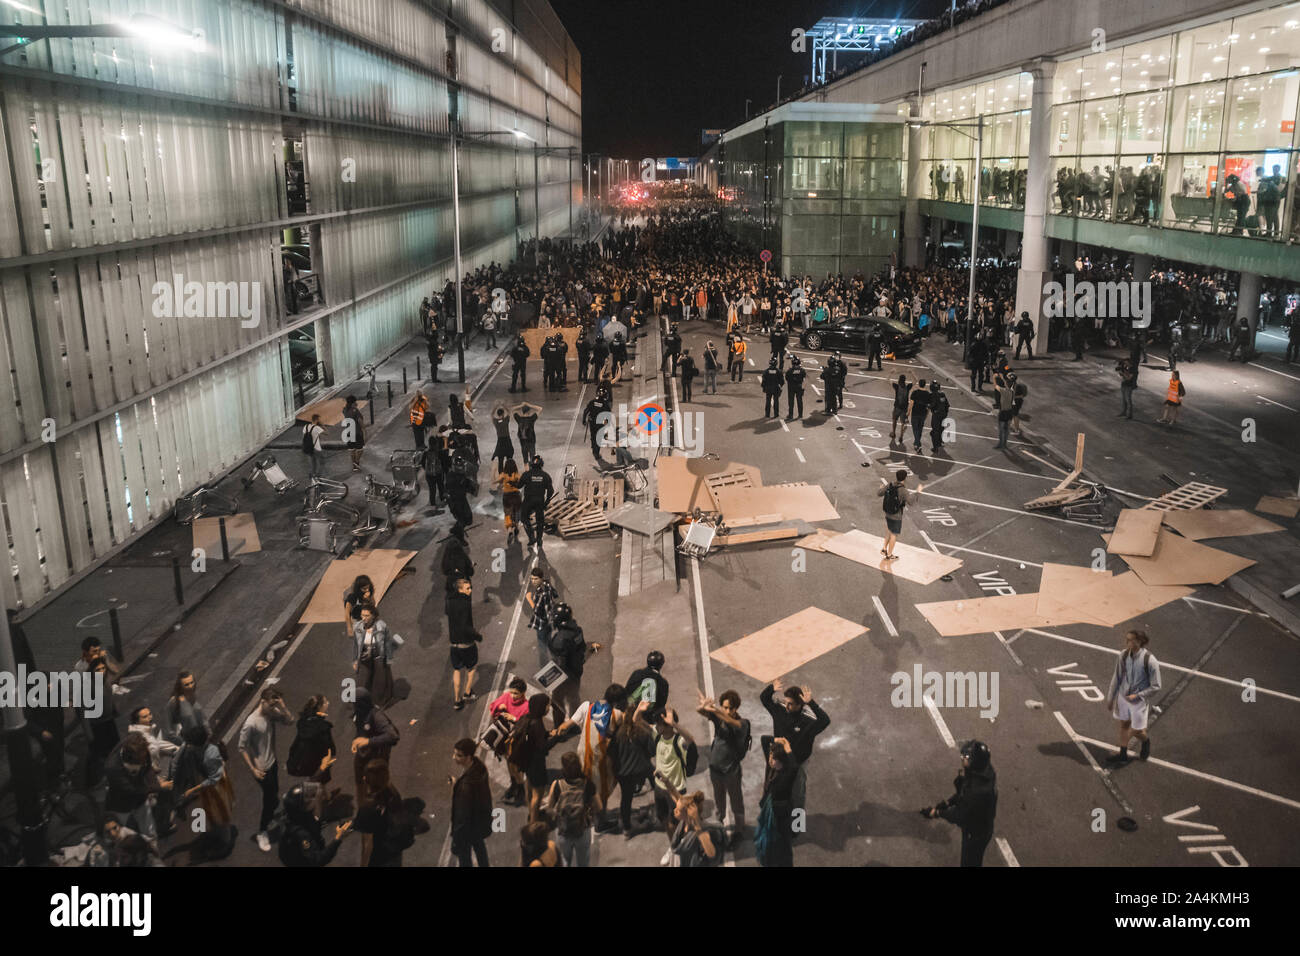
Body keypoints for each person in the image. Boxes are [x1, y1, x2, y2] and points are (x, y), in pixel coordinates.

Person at [923, 739, 998, 866]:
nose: (963, 758)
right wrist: (948, 803)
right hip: (981, 825)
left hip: (975, 833)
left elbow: (958, 816)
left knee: (969, 862)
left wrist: (938, 812)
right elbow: (964, 794)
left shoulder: (977, 792)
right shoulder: (985, 771)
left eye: (967, 757)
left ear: (975, 763)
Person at [238, 687, 294, 853]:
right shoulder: (251, 723)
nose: (273, 708)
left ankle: (271, 816)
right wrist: (253, 769)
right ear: (262, 701)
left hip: (273, 762)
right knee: (269, 801)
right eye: (271, 705)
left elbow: (290, 721)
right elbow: (241, 747)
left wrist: (283, 707)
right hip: (261, 768)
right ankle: (262, 832)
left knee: (274, 794)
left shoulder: (271, 712)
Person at [171, 724, 237, 862]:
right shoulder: (199, 749)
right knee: (213, 813)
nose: (186, 744)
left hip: (216, 788)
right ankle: (217, 832)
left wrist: (192, 790)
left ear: (195, 744)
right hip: (208, 788)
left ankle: (225, 843)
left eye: (188, 742)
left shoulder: (210, 756)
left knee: (222, 814)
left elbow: (213, 779)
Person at [698, 690, 750, 848]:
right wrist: (704, 706)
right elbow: (700, 712)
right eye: (724, 707)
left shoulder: (743, 723)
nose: (727, 710)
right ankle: (718, 828)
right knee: (719, 800)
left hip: (731, 771)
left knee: (736, 802)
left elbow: (732, 722)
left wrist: (716, 711)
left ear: (735, 708)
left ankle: (739, 831)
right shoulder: (719, 718)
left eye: (729, 708)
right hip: (715, 769)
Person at [1104, 630, 1162, 764]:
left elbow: (1156, 686)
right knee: (1124, 725)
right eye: (1127, 639)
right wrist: (1110, 698)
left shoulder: (1150, 660)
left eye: (1131, 640)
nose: (1128, 642)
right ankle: (1123, 754)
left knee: (1136, 729)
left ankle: (1146, 741)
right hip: (1123, 697)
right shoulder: (1123, 655)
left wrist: (1138, 695)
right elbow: (1117, 677)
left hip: (1139, 701)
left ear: (1140, 641)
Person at [104, 732, 171, 845]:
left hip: (140, 800)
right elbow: (131, 789)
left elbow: (147, 767)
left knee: (150, 832)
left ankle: (153, 853)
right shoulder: (112, 768)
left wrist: (154, 782)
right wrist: (157, 787)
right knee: (120, 837)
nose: (145, 760)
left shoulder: (138, 745)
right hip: (120, 804)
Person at [353, 758, 420, 867]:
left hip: (379, 858)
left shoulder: (367, 808)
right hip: (394, 850)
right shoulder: (392, 793)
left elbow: (368, 843)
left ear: (365, 779)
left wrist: (363, 864)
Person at [754, 737, 803, 867]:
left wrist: (787, 748)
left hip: (781, 813)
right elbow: (764, 740)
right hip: (769, 810)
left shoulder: (786, 775)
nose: (770, 760)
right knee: (769, 843)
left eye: (773, 758)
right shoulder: (771, 768)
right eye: (770, 756)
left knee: (783, 844)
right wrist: (781, 740)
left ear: (781, 760)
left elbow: (794, 766)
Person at [609, 700, 656, 835]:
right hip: (641, 769)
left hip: (623, 773)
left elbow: (612, 753)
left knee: (626, 799)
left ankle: (627, 828)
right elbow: (652, 751)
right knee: (658, 782)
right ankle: (659, 814)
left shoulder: (618, 733)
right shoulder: (643, 732)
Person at [547, 602, 601, 718]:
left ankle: (560, 725)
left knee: (557, 700)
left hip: (566, 675)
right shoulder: (577, 630)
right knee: (574, 697)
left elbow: (561, 664)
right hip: (576, 669)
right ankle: (576, 719)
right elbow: (582, 648)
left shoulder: (560, 640)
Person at [278, 783, 352, 866]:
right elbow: (318, 860)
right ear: (302, 808)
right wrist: (338, 838)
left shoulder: (295, 816)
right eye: (307, 798)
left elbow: (315, 820)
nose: (312, 798)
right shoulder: (301, 834)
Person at [545, 751, 597, 866]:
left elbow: (549, 809)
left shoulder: (557, 785)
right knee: (583, 861)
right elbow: (599, 806)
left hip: (563, 830)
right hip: (583, 829)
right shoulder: (588, 784)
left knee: (564, 860)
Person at [507, 694, 552, 822]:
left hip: (526, 760)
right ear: (541, 707)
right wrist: (555, 738)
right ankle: (533, 821)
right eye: (547, 705)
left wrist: (547, 734)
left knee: (529, 787)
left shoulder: (526, 718)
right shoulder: (537, 724)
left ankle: (532, 812)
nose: (549, 708)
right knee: (538, 794)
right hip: (536, 764)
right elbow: (543, 747)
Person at [450, 738, 492, 867]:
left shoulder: (465, 786)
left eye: (459, 755)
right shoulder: (479, 767)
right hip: (479, 821)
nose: (454, 757)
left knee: (464, 859)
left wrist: (456, 837)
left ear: (468, 757)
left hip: (467, 829)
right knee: (480, 847)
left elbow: (461, 815)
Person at [446, 577, 483, 710]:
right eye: (468, 588)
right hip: (467, 644)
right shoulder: (465, 604)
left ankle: (457, 700)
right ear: (460, 589)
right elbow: (465, 626)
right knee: (471, 668)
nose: (471, 590)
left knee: (457, 670)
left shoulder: (449, 601)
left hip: (454, 644)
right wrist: (477, 636)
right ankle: (467, 693)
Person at [352, 603, 397, 706]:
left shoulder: (381, 626)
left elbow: (387, 643)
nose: (364, 618)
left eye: (367, 615)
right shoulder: (357, 627)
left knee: (379, 681)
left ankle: (377, 703)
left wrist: (389, 659)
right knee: (362, 681)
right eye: (362, 615)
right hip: (364, 655)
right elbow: (356, 645)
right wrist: (355, 660)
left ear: (373, 615)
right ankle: (361, 703)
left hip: (378, 655)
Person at [526, 567, 559, 670]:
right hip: (550, 620)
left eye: (535, 579)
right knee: (549, 641)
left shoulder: (541, 593)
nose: (533, 581)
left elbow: (537, 611)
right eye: (532, 579)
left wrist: (529, 599)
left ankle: (544, 669)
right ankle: (557, 660)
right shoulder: (547, 584)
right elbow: (555, 594)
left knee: (542, 647)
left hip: (542, 624)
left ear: (541, 578)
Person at [519, 454, 553, 553]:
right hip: (539, 502)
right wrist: (546, 502)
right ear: (541, 464)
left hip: (528, 501)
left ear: (531, 464)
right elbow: (550, 491)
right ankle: (539, 539)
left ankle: (531, 537)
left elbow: (518, 485)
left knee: (524, 518)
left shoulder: (526, 474)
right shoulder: (545, 476)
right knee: (540, 521)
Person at [165, 669, 209, 744]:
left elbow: (202, 719)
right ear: (180, 686)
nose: (190, 686)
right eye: (186, 684)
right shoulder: (174, 702)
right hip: (190, 744)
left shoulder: (193, 696)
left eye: (192, 683)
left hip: (203, 740)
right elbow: (170, 730)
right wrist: (185, 744)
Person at [625, 649, 670, 722]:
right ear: (661, 664)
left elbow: (627, 691)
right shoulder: (663, 683)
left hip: (628, 715)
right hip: (647, 722)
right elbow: (660, 706)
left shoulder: (637, 673)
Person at [494, 456, 522, 543]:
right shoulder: (517, 475)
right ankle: (516, 527)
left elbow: (496, 482)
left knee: (507, 514)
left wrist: (501, 485)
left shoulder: (503, 475)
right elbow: (521, 483)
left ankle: (510, 530)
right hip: (516, 496)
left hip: (507, 497)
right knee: (517, 512)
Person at [908, 377, 931, 453]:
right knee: (920, 429)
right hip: (923, 414)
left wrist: (908, 413)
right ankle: (916, 443)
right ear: (925, 385)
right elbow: (928, 406)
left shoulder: (915, 392)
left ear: (919, 384)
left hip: (915, 413)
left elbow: (911, 403)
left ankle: (918, 444)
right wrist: (927, 414)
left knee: (915, 429)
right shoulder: (928, 394)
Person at [342, 394, 365, 471]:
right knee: (360, 449)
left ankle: (354, 465)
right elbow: (360, 422)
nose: (357, 403)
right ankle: (357, 462)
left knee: (352, 450)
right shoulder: (356, 411)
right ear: (353, 403)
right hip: (357, 433)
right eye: (355, 402)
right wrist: (364, 430)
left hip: (348, 432)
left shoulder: (345, 410)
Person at [489, 406, 514, 473]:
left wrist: (495, 407)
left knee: (500, 460)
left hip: (500, 442)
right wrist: (504, 406)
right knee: (509, 458)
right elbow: (509, 413)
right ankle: (509, 473)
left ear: (497, 414)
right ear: (503, 414)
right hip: (507, 441)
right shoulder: (506, 420)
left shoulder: (496, 422)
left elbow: (491, 415)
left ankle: (501, 475)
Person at [993, 374, 1015, 448]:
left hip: (1003, 412)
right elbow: (1009, 383)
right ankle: (1005, 444)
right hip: (1009, 412)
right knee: (1006, 429)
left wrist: (994, 378)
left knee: (1001, 429)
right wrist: (1003, 377)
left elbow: (995, 385)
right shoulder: (1012, 391)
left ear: (1006, 384)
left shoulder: (1003, 391)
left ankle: (1000, 443)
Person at [928, 381, 950, 452]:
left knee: (934, 431)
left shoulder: (933, 395)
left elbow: (932, 405)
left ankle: (935, 447)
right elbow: (947, 405)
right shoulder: (942, 394)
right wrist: (945, 413)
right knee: (941, 428)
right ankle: (940, 442)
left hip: (936, 415)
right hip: (943, 415)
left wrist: (928, 406)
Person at [784, 354, 806, 420]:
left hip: (791, 387)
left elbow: (786, 378)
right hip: (799, 386)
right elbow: (804, 378)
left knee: (791, 402)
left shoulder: (789, 371)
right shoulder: (802, 370)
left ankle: (791, 415)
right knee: (799, 401)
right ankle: (800, 415)